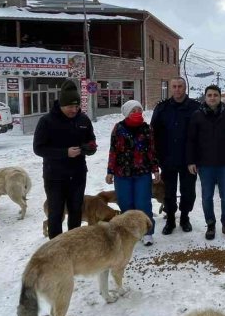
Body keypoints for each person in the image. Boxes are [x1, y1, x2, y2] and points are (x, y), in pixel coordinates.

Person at [33, 79, 97, 239]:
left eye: (77, 106)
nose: (74, 110)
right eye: (70, 106)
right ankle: (56, 246)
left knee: (76, 210)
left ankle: (73, 243)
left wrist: (90, 148)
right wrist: (64, 153)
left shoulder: (83, 120)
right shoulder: (47, 121)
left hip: (78, 174)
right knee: (56, 212)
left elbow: (92, 141)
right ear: (61, 104)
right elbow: (38, 148)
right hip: (55, 176)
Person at [187, 84, 225, 240]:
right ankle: (210, 224)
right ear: (205, 97)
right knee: (206, 197)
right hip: (205, 165)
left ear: (220, 97)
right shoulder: (197, 116)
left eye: (215, 95)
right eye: (209, 95)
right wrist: (191, 161)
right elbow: (191, 141)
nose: (212, 98)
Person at [105, 99, 158, 246]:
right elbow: (113, 151)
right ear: (127, 113)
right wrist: (110, 171)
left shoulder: (147, 129)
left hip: (142, 173)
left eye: (139, 110)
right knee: (126, 204)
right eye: (133, 111)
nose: (137, 113)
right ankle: (129, 233)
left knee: (143, 203)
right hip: (122, 173)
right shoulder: (118, 128)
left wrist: (155, 170)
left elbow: (152, 151)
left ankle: (147, 232)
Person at [151, 77, 200, 234]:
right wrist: (156, 158)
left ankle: (185, 217)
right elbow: (153, 134)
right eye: (174, 86)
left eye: (180, 86)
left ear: (185, 88)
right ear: (170, 88)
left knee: (188, 192)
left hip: (189, 159)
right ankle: (170, 219)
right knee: (168, 192)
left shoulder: (196, 108)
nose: (177, 89)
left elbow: (201, 134)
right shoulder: (162, 108)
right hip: (168, 158)